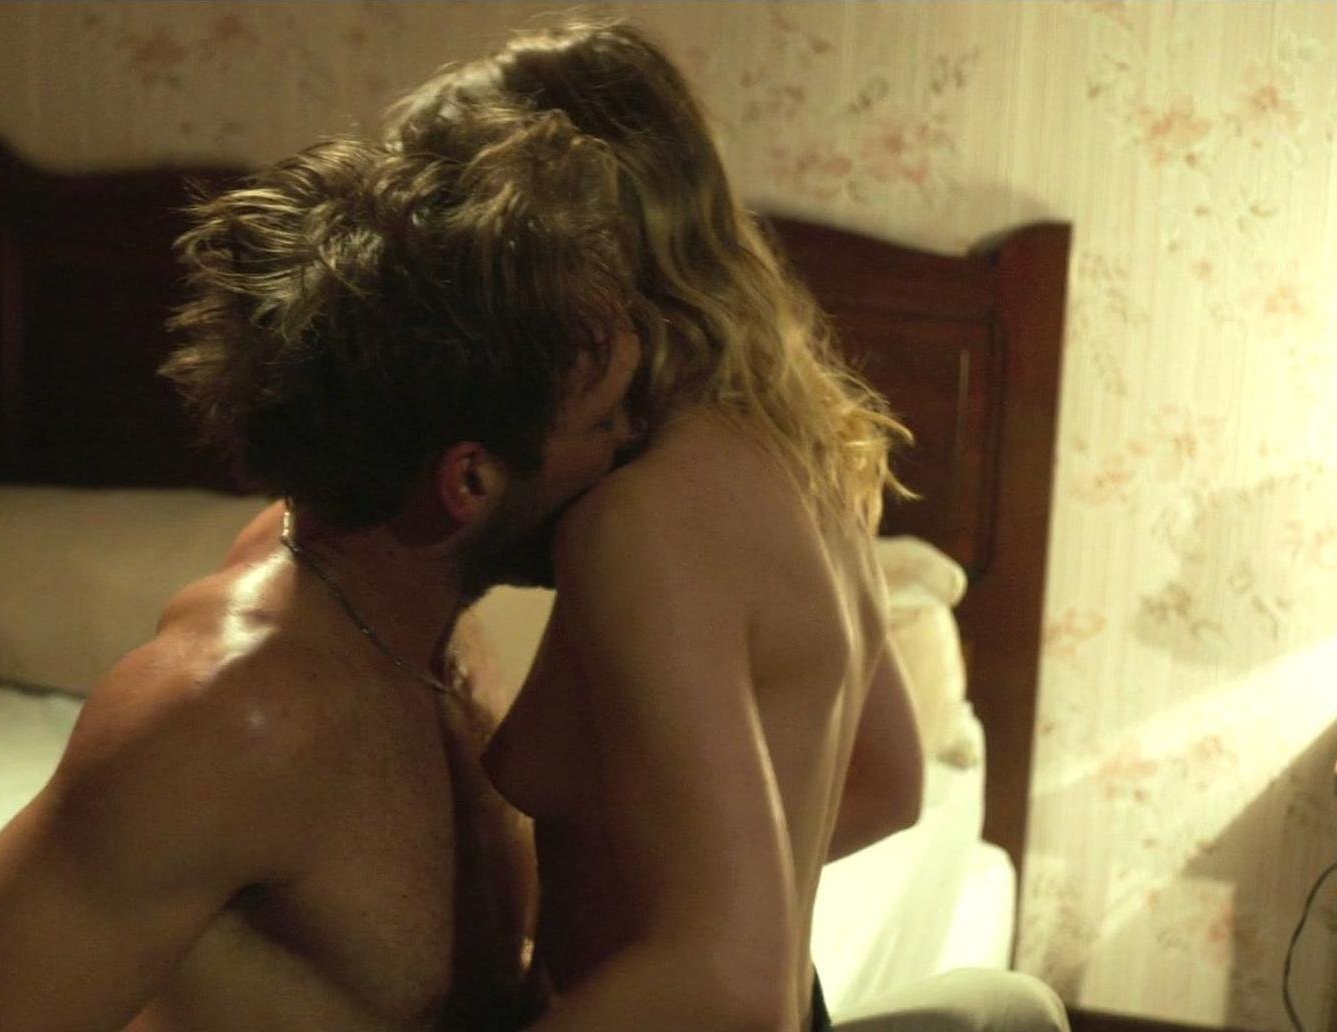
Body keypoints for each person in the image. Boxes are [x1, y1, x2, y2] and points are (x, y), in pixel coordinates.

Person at [0, 105, 641, 1032]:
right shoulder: (226, 720)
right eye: (605, 420)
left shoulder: (421, 615)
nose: (632, 445)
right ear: (470, 480)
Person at [386, 20, 1071, 1032]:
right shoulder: (796, 448)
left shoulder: (643, 519)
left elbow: (724, 980)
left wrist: (692, 936)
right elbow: (888, 781)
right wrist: (731, 885)